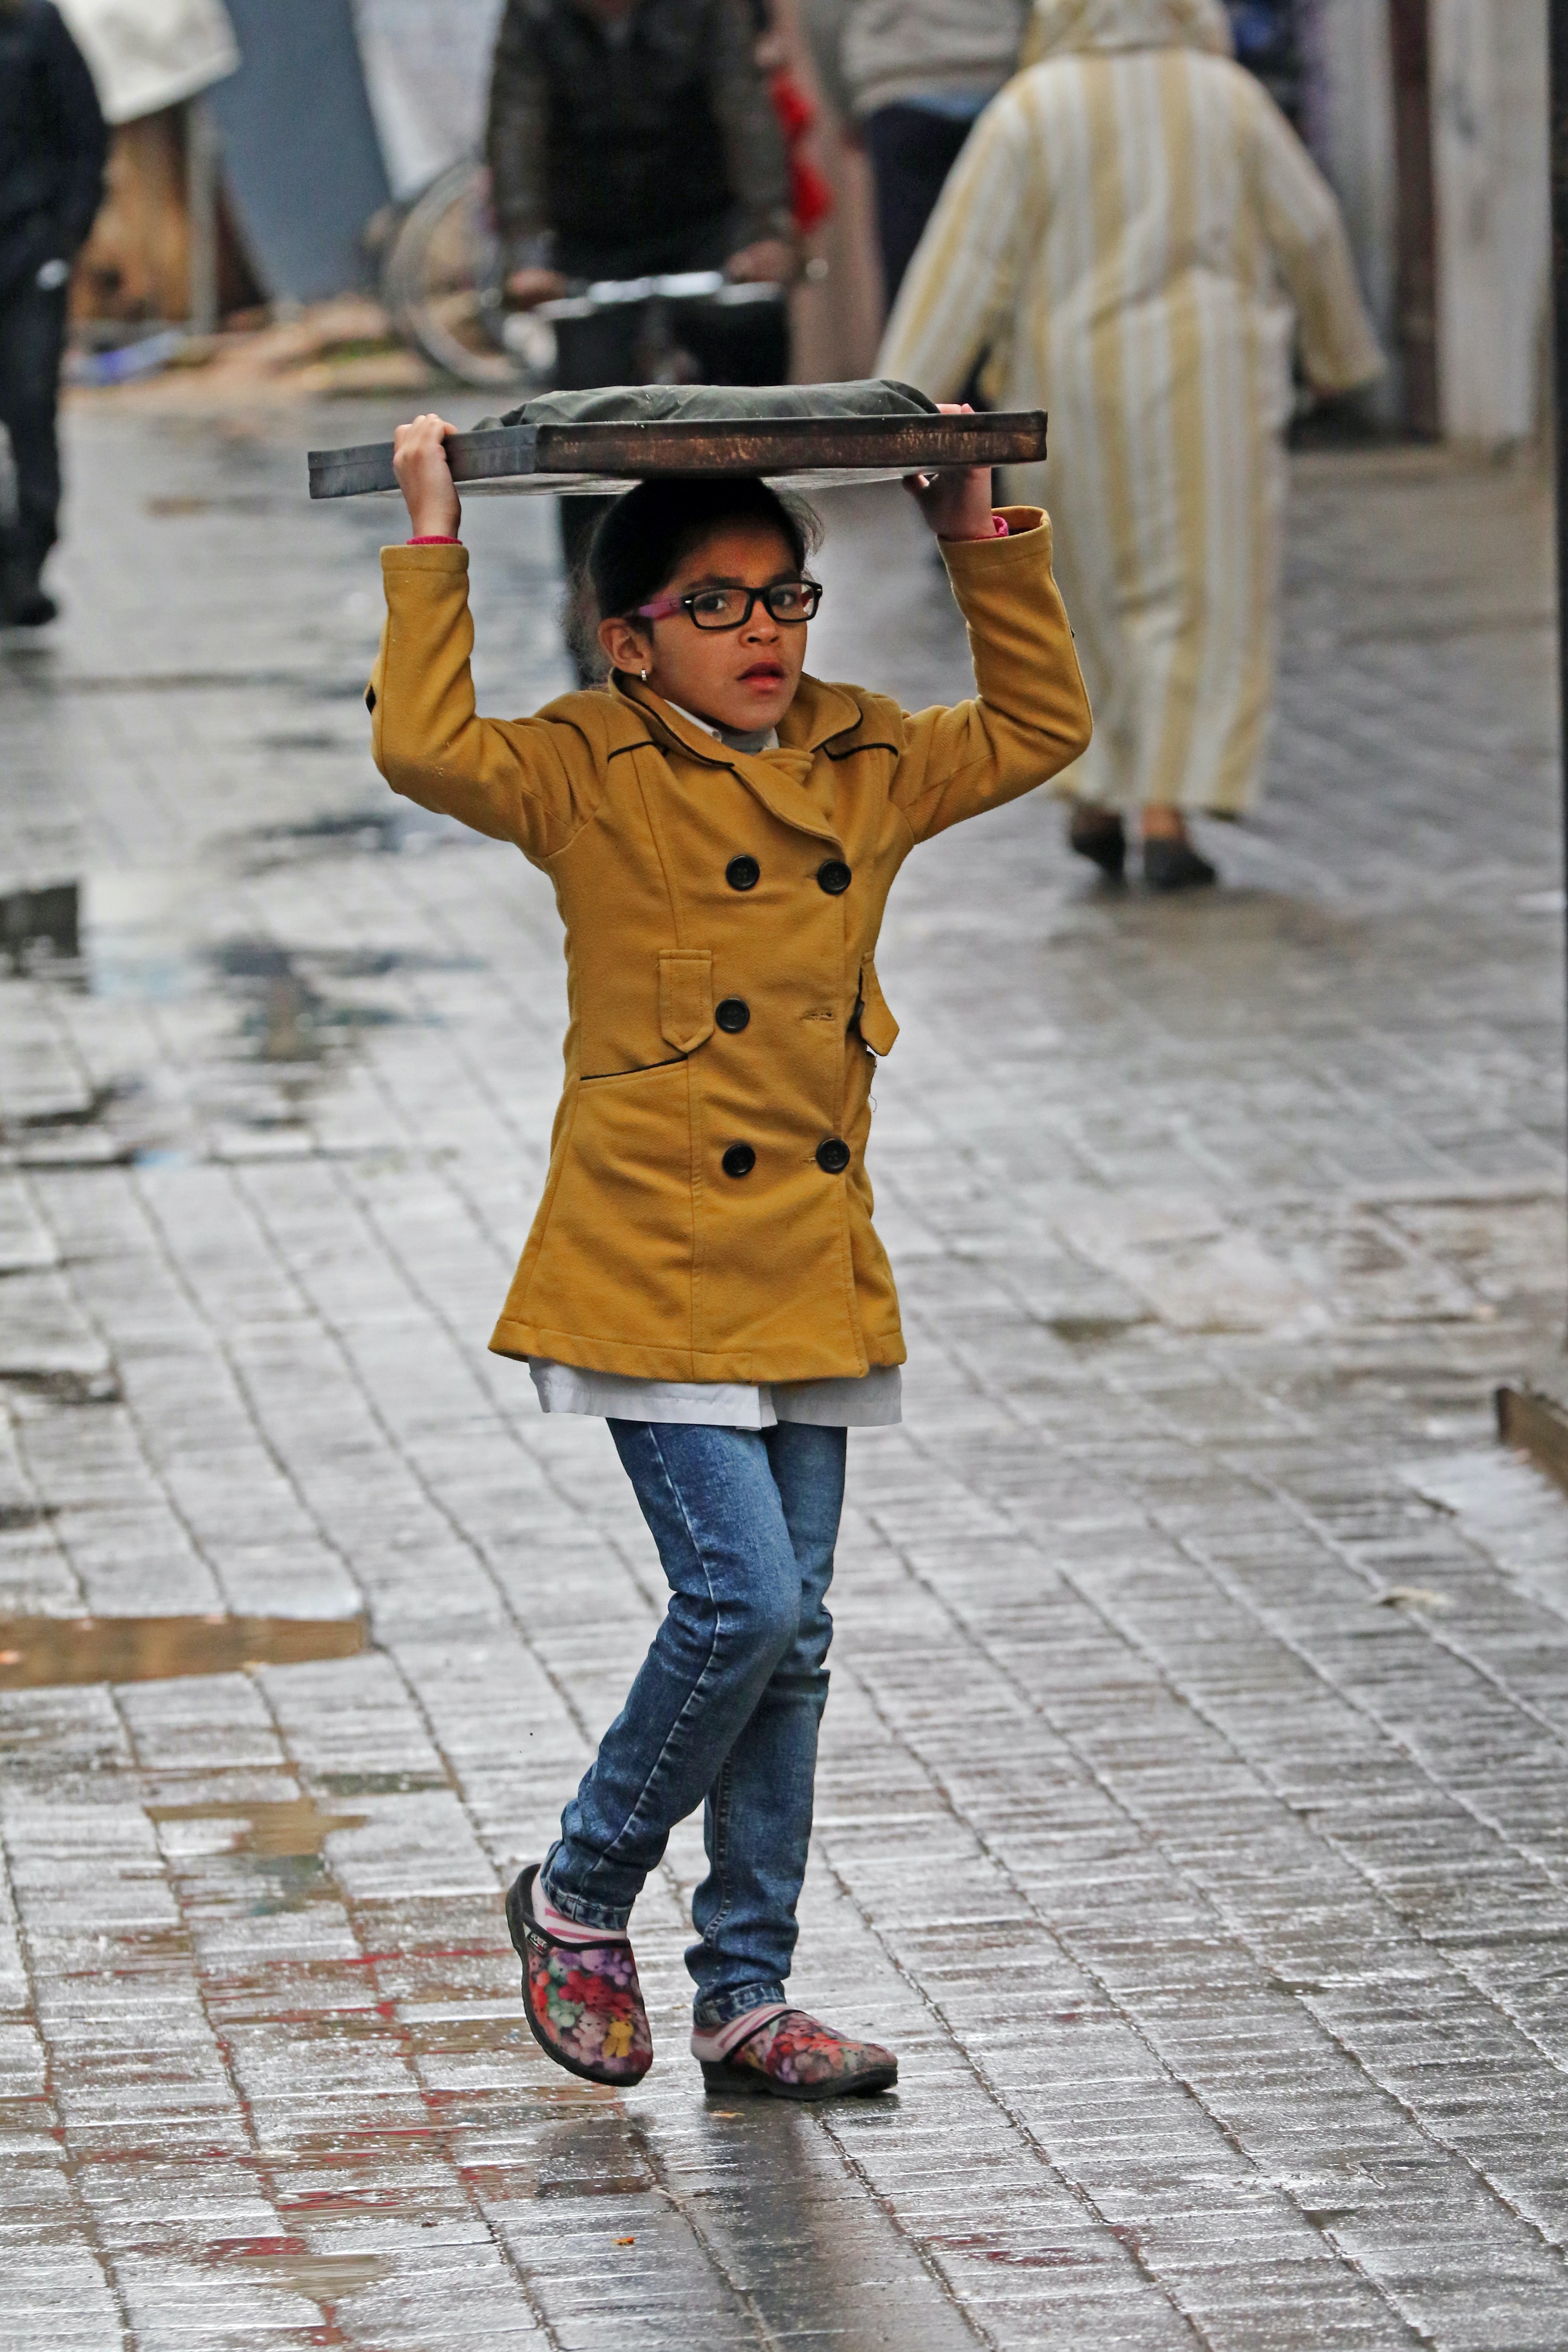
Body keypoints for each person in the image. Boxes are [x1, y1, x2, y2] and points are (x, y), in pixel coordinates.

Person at [370, 408, 1092, 2097]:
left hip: (810, 1257)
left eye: (785, 600)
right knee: (741, 1602)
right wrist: (428, 541)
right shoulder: (580, 769)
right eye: (715, 607)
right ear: (629, 642)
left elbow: (1047, 723)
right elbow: (423, 749)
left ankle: (745, 1996)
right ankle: (580, 1891)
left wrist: (979, 527)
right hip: (649, 1254)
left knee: (802, 1636)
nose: (761, 635)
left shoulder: (872, 759)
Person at [879, 0, 1383, 890]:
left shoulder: (1032, 110)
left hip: (1070, 386)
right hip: (1215, 384)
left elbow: (965, 264)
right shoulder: (1229, 101)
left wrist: (894, 406)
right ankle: (1167, 810)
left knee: (1085, 591)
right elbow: (1309, 231)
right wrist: (1339, 355)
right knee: (1205, 592)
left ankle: (1098, 794)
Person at [484, 0, 797, 646]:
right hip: (590, 237)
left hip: (701, 222)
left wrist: (767, 228)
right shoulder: (535, 16)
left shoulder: (707, 12)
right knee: (577, 419)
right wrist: (524, 253)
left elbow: (743, 104)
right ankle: (589, 612)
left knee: (750, 355)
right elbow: (516, 123)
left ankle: (765, 575)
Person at [0, 0, 107, 627]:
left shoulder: (34, 25)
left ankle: (27, 562)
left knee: (31, 403)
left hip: (29, 249)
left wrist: (66, 232)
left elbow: (84, 131)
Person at [839, 0, 1027, 308]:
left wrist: (848, 99)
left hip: (896, 80)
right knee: (1001, 281)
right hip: (996, 74)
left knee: (912, 286)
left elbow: (822, 12)